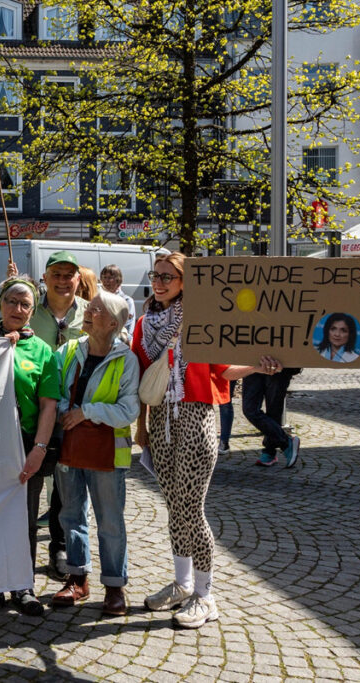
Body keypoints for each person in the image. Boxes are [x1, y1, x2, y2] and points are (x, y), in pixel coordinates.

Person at [133, 252, 282, 629]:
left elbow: (224, 369)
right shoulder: (144, 323)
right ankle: (182, 584)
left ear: (185, 282)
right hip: (162, 418)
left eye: (169, 276)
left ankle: (205, 594)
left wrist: (256, 366)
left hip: (198, 415)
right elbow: (139, 378)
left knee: (190, 508)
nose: (161, 282)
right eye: (157, 275)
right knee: (173, 506)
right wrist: (140, 427)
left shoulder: (203, 321)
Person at [0, 278, 58, 618]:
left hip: (24, 443)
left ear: (32, 311)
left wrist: (39, 449)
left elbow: (49, 406)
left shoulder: (42, 351)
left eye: (25, 304)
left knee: (25, 518)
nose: (17, 309)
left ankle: (23, 584)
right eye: (11, 302)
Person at [51, 290, 140, 616]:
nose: (88, 312)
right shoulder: (70, 350)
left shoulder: (126, 360)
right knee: (71, 515)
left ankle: (115, 587)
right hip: (71, 447)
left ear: (114, 323)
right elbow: (54, 391)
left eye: (97, 310)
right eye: (89, 307)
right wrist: (65, 410)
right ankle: (78, 579)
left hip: (108, 454)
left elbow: (128, 410)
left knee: (110, 522)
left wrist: (86, 412)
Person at [19, 250, 89, 580]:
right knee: (29, 478)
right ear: (44, 278)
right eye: (56, 274)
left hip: (76, 412)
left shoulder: (91, 313)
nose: (63, 281)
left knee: (67, 486)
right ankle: (20, 548)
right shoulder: (28, 312)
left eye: (69, 275)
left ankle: (59, 546)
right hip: (35, 410)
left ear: (79, 278)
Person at [243, 369, 300, 467]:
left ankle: (269, 452)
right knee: (250, 410)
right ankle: (285, 442)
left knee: (274, 411)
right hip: (253, 364)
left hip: (279, 366)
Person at [99, 264, 136, 338]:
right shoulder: (98, 299)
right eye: (104, 277)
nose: (106, 281)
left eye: (109, 278)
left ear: (118, 280)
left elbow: (128, 328)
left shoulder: (127, 301)